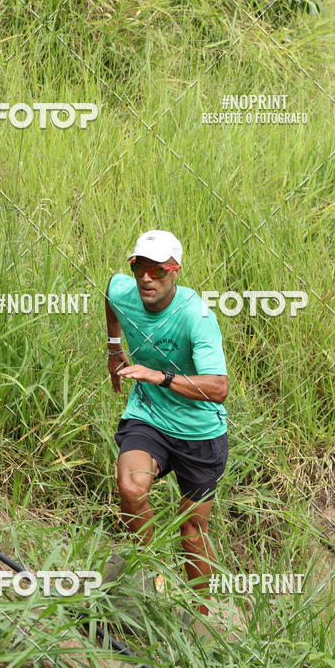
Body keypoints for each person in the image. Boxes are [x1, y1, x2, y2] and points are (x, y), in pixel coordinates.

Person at [104, 229, 228, 619]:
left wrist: (162, 377)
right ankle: (147, 577)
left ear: (174, 272)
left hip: (199, 433)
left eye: (158, 271)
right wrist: (113, 349)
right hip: (149, 418)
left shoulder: (197, 316)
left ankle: (200, 616)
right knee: (130, 486)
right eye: (140, 267)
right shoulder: (126, 291)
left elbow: (219, 388)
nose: (146, 278)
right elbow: (110, 295)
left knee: (192, 530)